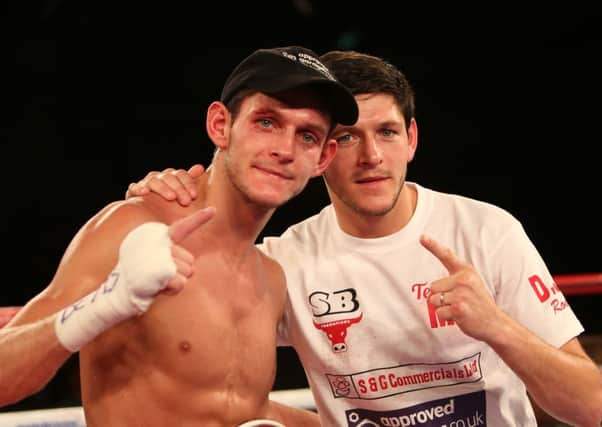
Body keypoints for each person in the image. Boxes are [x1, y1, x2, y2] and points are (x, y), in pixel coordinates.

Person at [127, 50, 602, 426]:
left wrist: (499, 328)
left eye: (388, 132)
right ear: (321, 153)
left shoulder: (486, 232)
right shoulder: (283, 264)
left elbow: (591, 407)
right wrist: (154, 209)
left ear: (411, 139)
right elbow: (200, 388)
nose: (372, 156)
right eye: (351, 138)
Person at [1, 46, 360, 426]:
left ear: (322, 158)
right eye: (266, 122)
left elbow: (234, 408)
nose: (284, 150)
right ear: (221, 126)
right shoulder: (134, 227)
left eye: (306, 136)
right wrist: (106, 303)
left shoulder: (270, 277)